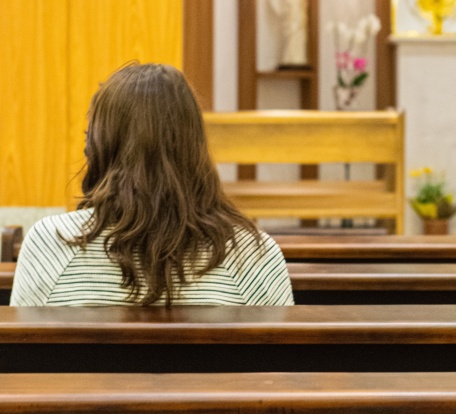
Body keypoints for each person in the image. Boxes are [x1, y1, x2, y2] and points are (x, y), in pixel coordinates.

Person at [10, 63, 294, 307]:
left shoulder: (50, 245)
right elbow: (285, 367)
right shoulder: (253, 256)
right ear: (195, 148)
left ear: (97, 148)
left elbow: (15, 364)